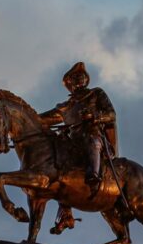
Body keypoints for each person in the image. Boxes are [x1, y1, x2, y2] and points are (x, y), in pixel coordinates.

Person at [40, 62, 118, 199]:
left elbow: (112, 115)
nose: (80, 78)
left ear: (86, 80)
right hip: (72, 141)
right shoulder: (65, 107)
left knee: (92, 142)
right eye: (75, 76)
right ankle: (65, 210)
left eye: (82, 76)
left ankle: (93, 176)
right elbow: (42, 119)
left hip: (94, 135)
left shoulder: (96, 93)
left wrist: (94, 117)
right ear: (70, 82)